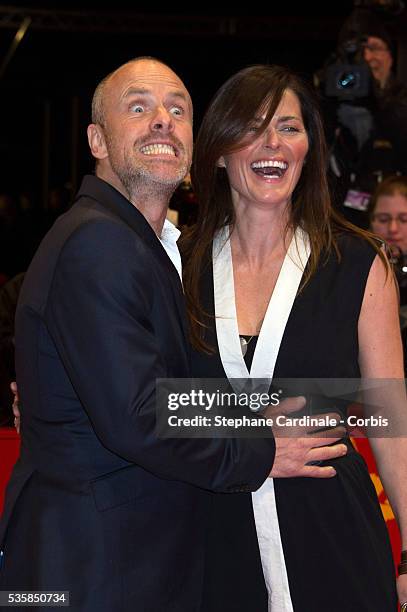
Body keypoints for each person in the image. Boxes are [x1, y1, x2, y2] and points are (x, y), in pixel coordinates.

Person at [0, 57, 347, 612]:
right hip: (92, 568)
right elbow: (140, 415)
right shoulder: (100, 244)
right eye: (139, 108)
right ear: (97, 139)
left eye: (177, 110)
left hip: (117, 559)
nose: (163, 121)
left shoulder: (157, 248)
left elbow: (158, 393)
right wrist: (260, 446)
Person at [181, 64, 407, 611]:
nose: (272, 144)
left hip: (334, 537)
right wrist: (253, 440)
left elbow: (390, 420)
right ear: (216, 151)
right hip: (214, 538)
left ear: (309, 147)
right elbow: (158, 406)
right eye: (252, 127)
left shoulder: (357, 263)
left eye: (288, 126)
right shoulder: (175, 264)